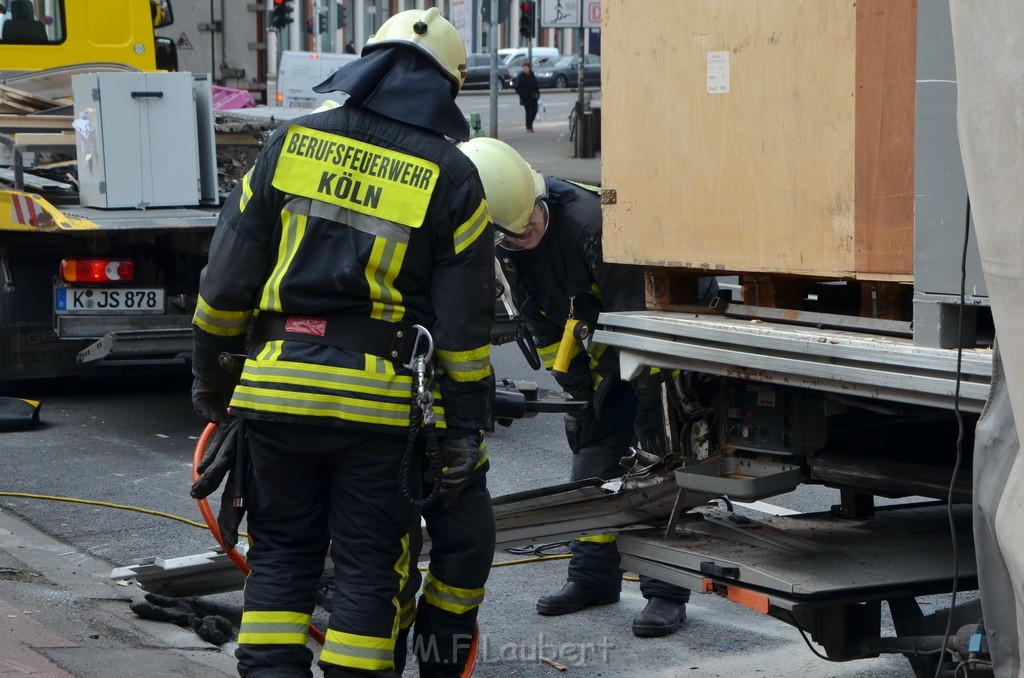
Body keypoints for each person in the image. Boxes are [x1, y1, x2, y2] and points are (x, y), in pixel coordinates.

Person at [190, 7, 496, 678]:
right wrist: (464, 430)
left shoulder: (289, 144)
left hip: (275, 393)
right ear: (445, 87)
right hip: (375, 411)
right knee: (366, 566)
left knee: (281, 555)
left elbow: (224, 281)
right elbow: (463, 329)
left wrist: (212, 379)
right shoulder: (451, 173)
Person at [467, 139, 709, 639]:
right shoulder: (507, 244)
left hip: (655, 339)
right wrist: (580, 388)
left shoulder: (591, 225)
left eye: (530, 225)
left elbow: (637, 320)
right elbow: (542, 321)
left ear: (539, 197)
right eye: (513, 236)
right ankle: (593, 577)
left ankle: (666, 593)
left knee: (657, 463)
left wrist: (645, 398)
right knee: (592, 456)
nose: (525, 236)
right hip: (603, 339)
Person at [513, 61, 540, 132]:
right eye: (523, 68)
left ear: (529, 68)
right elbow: (517, 88)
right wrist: (522, 94)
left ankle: (528, 123)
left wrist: (538, 94)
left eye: (526, 67)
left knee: (534, 111)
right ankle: (529, 127)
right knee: (528, 112)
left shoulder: (532, 75)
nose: (525, 69)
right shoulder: (520, 76)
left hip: (533, 97)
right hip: (525, 97)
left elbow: (536, 86)